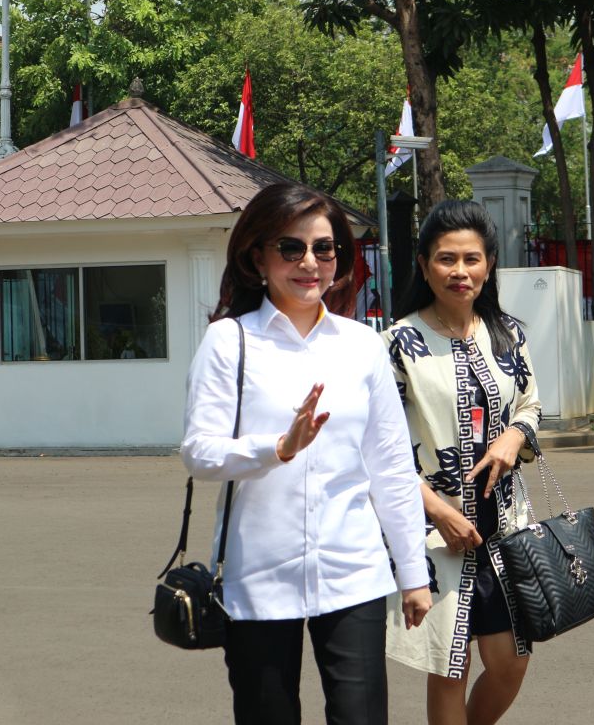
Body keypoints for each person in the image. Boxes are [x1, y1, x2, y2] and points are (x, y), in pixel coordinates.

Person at [181, 183, 432, 724]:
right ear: (258, 257)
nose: (310, 263)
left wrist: (414, 573)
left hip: (354, 571)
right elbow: (200, 453)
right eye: (291, 248)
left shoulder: (362, 344)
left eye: (324, 248)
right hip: (259, 575)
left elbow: (390, 467)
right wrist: (277, 448)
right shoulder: (230, 342)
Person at [383, 200, 542, 725]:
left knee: (511, 661)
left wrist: (514, 437)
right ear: (425, 264)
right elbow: (377, 448)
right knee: (450, 664)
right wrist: (437, 512)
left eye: (471, 259)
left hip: (506, 528)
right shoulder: (396, 344)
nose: (460, 271)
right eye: (446, 259)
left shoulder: (507, 334)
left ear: (489, 264)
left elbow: (531, 404)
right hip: (434, 528)